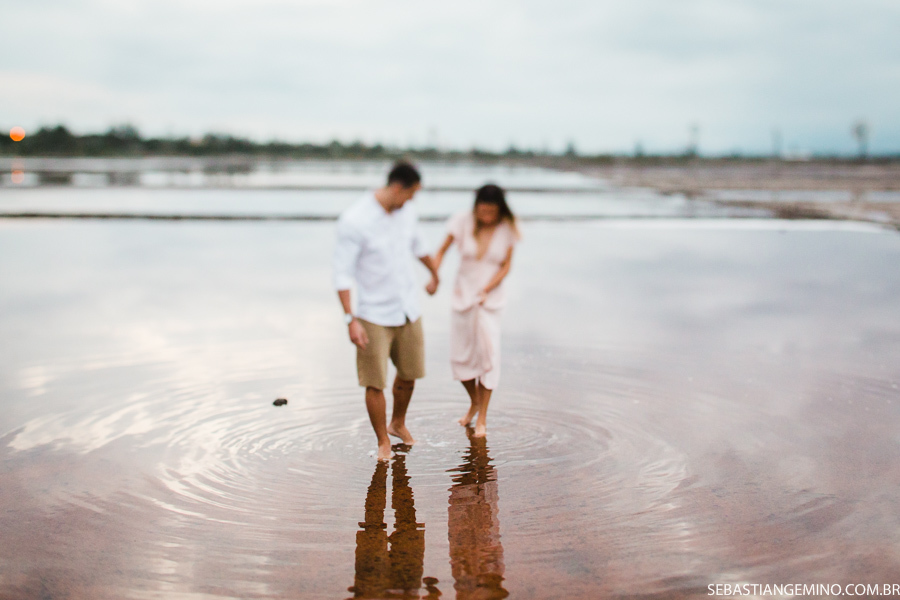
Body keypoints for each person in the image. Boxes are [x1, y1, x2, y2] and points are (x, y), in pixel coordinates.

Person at [333, 161, 440, 461]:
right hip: (372, 314)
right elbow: (341, 274)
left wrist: (435, 274)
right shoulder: (355, 220)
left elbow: (419, 246)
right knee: (374, 381)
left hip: (407, 307)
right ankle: (383, 441)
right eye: (411, 194)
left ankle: (398, 423)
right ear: (397, 188)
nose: (412, 201)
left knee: (409, 374)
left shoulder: (406, 213)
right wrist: (349, 319)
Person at [429, 184, 519, 437]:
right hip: (462, 297)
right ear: (476, 207)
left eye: (491, 212)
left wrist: (487, 288)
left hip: (490, 301)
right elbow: (441, 251)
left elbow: (506, 266)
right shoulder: (461, 221)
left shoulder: (507, 229)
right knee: (462, 356)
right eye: (482, 211)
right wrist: (434, 276)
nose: (486, 216)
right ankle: (474, 402)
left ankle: (483, 418)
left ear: (500, 210)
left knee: (488, 355)